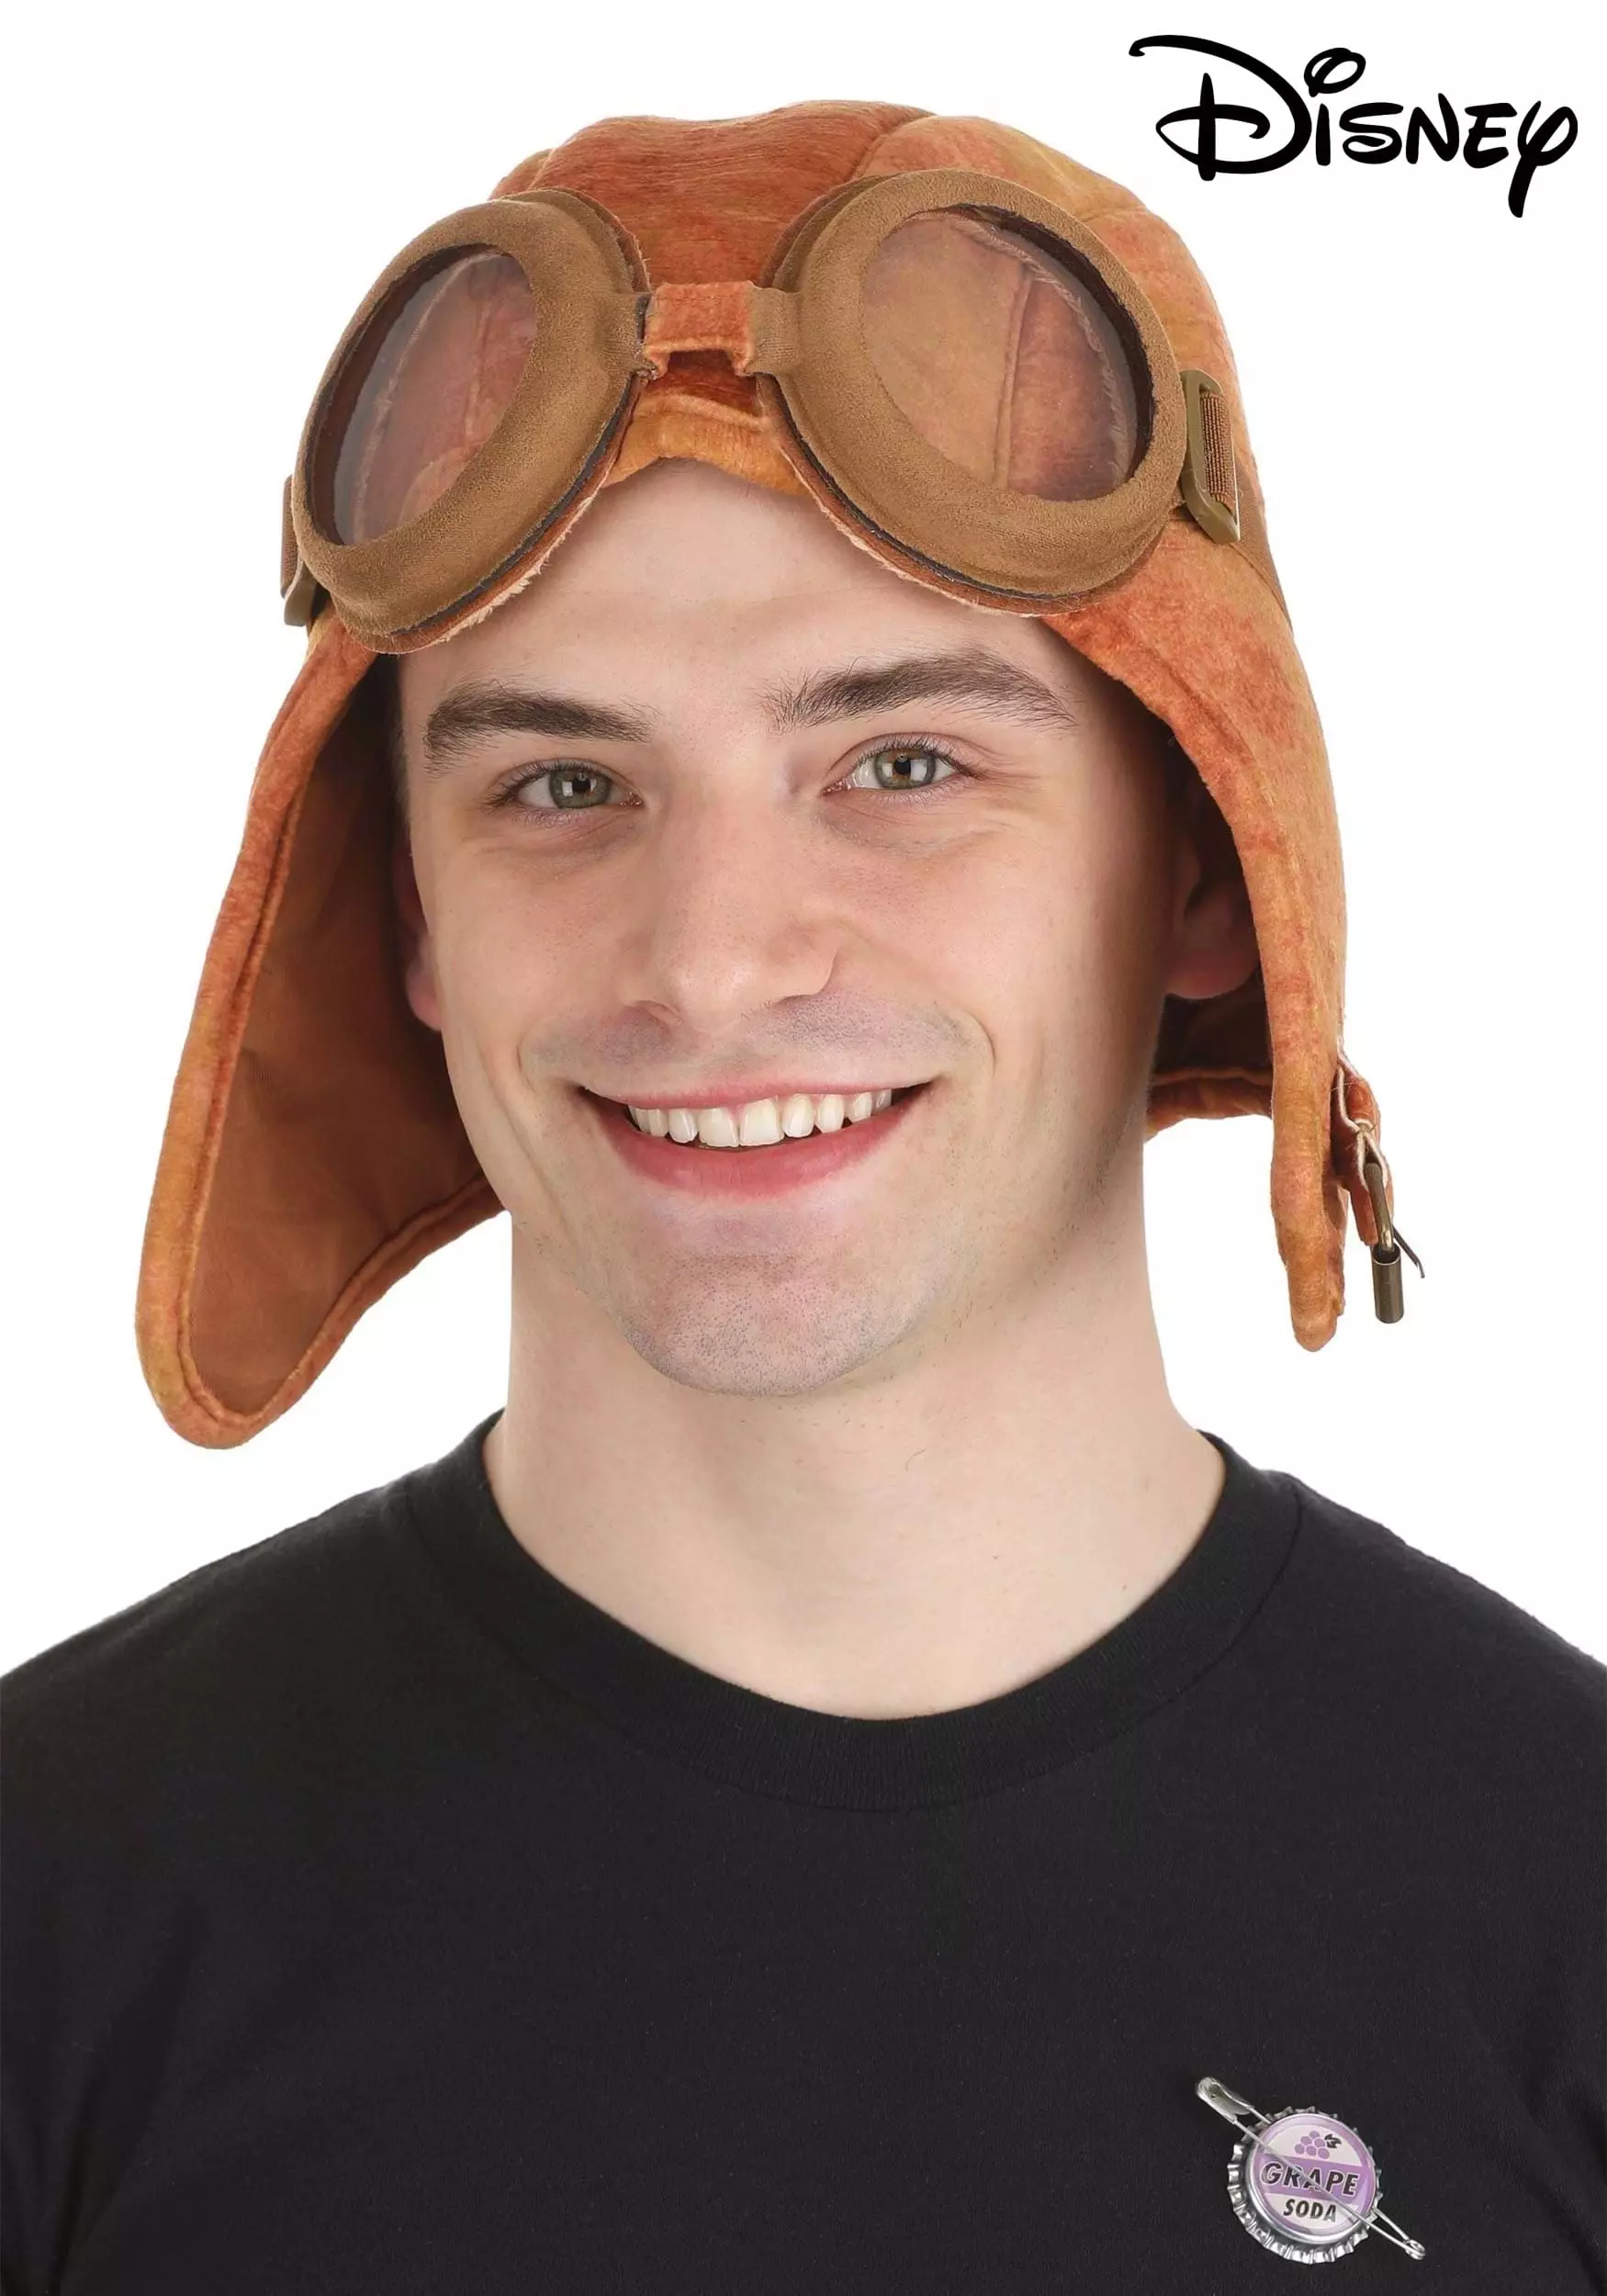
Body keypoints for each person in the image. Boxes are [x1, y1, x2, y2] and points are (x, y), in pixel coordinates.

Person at [3, 100, 1601, 2294]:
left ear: (1197, 866)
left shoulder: (1560, 1904)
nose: (709, 962)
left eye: (901, 763)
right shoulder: (53, 1904)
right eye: (561, 781)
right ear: (411, 914)